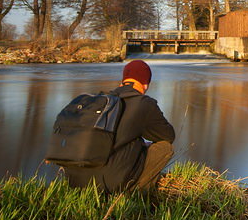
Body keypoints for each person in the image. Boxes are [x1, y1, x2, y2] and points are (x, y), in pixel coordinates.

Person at [64, 59, 175, 193]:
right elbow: (168, 136)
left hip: (76, 181)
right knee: (165, 148)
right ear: (145, 83)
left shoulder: (99, 100)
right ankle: (136, 192)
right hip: (110, 183)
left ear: (123, 80)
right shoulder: (144, 103)